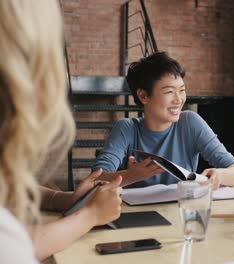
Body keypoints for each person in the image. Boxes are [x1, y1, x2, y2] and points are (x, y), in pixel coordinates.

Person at [0, 0, 122, 262]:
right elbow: (13, 245)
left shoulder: (191, 123)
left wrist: (64, 199)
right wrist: (89, 215)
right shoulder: (126, 126)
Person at [93, 52, 234, 189]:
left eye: (182, 90)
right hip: (139, 215)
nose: (179, 99)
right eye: (170, 92)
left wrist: (219, 175)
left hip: (182, 211)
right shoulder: (127, 129)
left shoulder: (190, 123)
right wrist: (131, 176)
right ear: (143, 96)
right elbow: (96, 178)